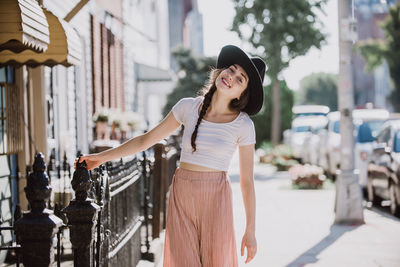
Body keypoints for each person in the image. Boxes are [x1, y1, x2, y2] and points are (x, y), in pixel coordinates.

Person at [76, 45, 266, 266]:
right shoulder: (187, 107)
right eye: (231, 70)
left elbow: (247, 182)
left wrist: (250, 231)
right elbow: (146, 140)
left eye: (240, 79)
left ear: (242, 94)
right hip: (182, 193)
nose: (231, 77)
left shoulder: (243, 125)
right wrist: (101, 158)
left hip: (216, 197)